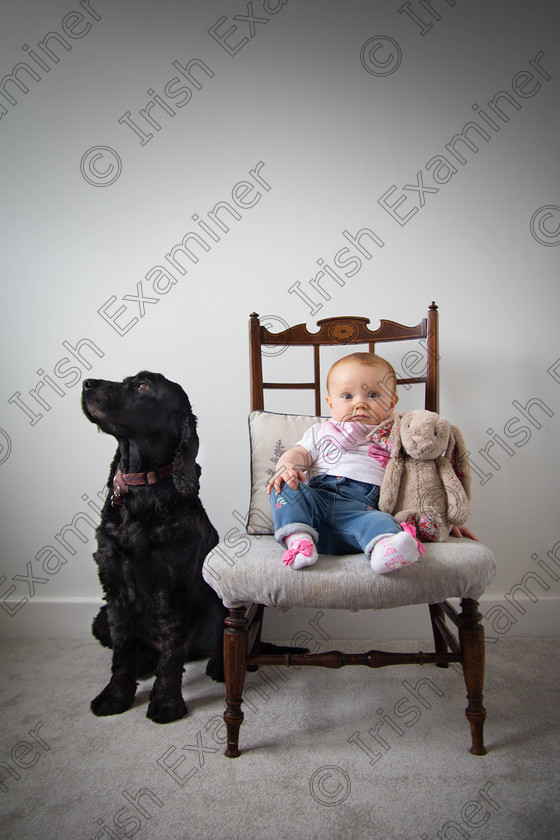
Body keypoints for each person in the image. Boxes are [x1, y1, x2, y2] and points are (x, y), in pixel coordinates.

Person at [267, 351, 425, 574]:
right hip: (314, 507)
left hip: (359, 512)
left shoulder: (396, 437)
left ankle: (383, 551)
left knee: (382, 521)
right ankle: (299, 541)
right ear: (331, 404)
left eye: (372, 394)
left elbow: (420, 481)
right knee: (283, 484)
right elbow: (299, 453)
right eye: (347, 396)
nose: (359, 403)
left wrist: (440, 518)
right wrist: (287, 467)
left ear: (392, 402)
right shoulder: (321, 433)